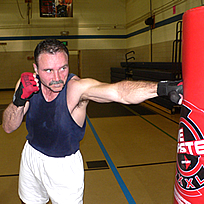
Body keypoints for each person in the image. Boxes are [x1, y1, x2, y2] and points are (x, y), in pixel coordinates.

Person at [2, 39, 183, 204]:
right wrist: (19, 101)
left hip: (63, 167)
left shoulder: (77, 89)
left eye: (63, 68)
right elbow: (8, 127)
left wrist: (162, 88)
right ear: (36, 69)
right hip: (31, 156)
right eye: (48, 70)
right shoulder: (26, 85)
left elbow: (119, 92)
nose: (57, 77)